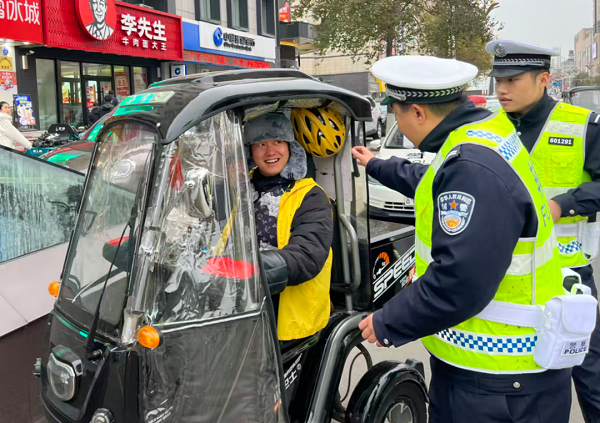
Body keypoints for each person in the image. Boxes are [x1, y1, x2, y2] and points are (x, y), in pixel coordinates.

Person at [351, 55, 570, 423]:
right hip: (495, 375)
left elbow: (460, 280)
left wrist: (390, 320)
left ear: (417, 112)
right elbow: (431, 181)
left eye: (397, 114)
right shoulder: (480, 135)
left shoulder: (472, 168)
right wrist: (376, 164)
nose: (398, 124)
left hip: (499, 381)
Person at [486, 39, 600, 423]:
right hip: (505, 275)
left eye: (513, 80)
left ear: (544, 80)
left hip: (567, 275)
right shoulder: (487, 129)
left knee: (588, 369)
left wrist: (562, 204)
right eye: (498, 80)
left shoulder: (583, 125)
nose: (502, 89)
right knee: (515, 370)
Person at [244, 112, 334, 342]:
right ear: (250, 150)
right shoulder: (239, 189)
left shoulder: (311, 196)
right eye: (261, 144)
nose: (270, 151)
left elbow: (308, 255)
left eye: (277, 141)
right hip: (242, 304)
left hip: (289, 314)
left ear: (290, 147)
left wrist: (254, 268)